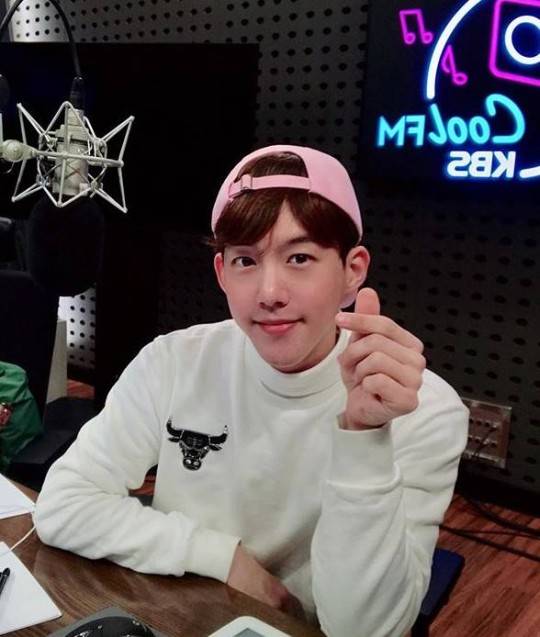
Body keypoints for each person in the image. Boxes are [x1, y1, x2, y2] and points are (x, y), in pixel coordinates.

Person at [34, 145, 468, 637]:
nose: (269, 293)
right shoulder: (174, 362)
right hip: (183, 612)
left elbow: (364, 629)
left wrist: (363, 437)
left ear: (352, 271)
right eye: (246, 260)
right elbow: (63, 504)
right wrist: (222, 558)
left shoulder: (424, 410)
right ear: (222, 274)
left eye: (300, 257)